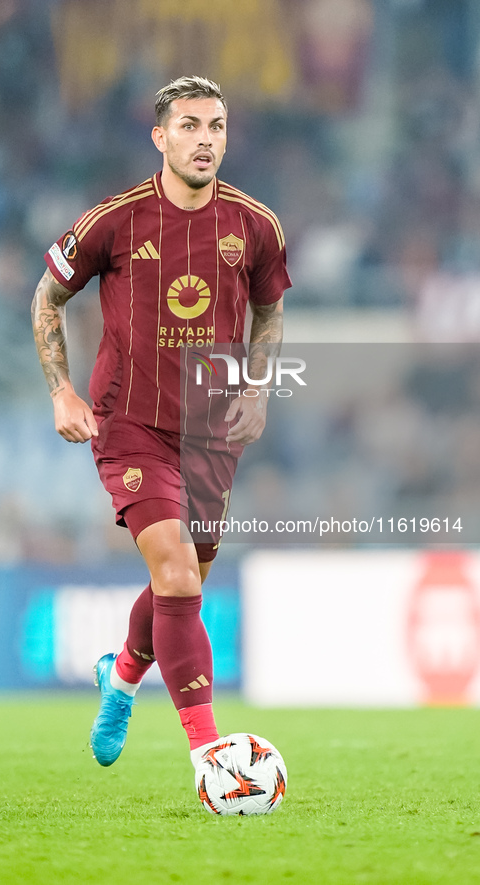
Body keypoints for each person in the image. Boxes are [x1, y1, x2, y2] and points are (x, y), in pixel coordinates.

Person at [31, 76, 291, 772]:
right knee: (176, 575)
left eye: (216, 126)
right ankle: (211, 757)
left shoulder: (255, 225)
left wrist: (259, 389)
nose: (204, 140)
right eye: (189, 126)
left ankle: (119, 679)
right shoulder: (113, 221)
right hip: (130, 426)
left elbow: (268, 311)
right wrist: (60, 390)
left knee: (185, 580)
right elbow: (47, 296)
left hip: (211, 436)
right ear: (160, 137)